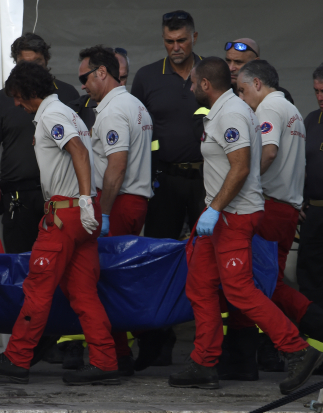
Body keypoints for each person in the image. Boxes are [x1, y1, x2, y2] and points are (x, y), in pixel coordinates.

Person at [168, 57, 323, 394]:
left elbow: (241, 166)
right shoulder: (223, 113)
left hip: (234, 215)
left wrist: (216, 209)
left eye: (194, 83)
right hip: (221, 215)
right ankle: (204, 362)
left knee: (239, 289)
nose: (191, 88)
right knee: (199, 285)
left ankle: (295, 348)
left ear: (206, 84)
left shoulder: (233, 113)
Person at [0, 61, 121, 386]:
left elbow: (79, 153)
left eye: (17, 96)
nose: (15, 103)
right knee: (83, 293)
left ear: (29, 93)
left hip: (67, 212)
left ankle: (17, 358)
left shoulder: (53, 116)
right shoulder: (67, 112)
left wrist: (82, 201)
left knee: (38, 287)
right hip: (81, 213)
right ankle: (105, 361)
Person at [218, 60, 323, 382]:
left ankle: (301, 336)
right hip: (287, 208)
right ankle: (242, 359)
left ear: (258, 84)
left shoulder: (268, 110)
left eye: (243, 89)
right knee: (261, 282)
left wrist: (243, 184)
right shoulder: (294, 113)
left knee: (252, 282)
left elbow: (268, 152)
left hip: (269, 208)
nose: (241, 97)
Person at [130, 9, 204, 370]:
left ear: (194, 38)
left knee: (210, 261)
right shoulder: (146, 77)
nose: (175, 47)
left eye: (182, 40)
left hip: (208, 182)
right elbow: (137, 130)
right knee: (156, 261)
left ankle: (214, 349)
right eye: (169, 41)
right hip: (164, 181)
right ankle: (155, 344)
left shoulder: (213, 72)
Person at [77, 45, 153, 375]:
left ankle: (130, 346)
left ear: (102, 73)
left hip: (118, 201)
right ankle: (121, 352)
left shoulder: (112, 111)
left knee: (106, 281)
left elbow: (116, 167)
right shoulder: (135, 105)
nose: (82, 85)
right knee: (116, 280)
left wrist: (103, 212)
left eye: (85, 77)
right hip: (132, 200)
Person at [0, 33, 78, 255]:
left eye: (37, 64)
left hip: (59, 197)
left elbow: (84, 149)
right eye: (24, 64)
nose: (31, 71)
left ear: (47, 61)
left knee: (59, 261)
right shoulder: (5, 98)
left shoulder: (67, 94)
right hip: (17, 196)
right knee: (19, 264)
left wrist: (87, 198)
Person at [297, 63, 323, 313]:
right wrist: (299, 199)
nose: (320, 97)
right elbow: (299, 163)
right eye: (316, 91)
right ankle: (315, 334)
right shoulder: (312, 120)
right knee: (309, 273)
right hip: (313, 212)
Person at [68, 47, 130, 129]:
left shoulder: (137, 109)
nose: (118, 82)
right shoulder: (73, 111)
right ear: (102, 73)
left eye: (122, 77)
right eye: (113, 76)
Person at [224, 39, 293, 103]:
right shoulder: (221, 93)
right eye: (228, 61)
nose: (230, 68)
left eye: (238, 62)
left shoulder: (279, 96)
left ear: (255, 62)